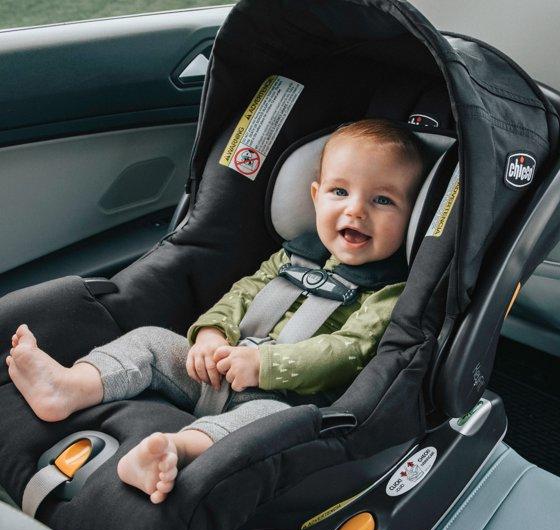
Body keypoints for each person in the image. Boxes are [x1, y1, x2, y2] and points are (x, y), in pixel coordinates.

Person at [6, 118, 424, 504]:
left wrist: (264, 365)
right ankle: (69, 386)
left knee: (268, 421)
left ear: (411, 218)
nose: (356, 210)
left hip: (284, 397)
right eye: (340, 192)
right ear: (315, 197)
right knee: (151, 340)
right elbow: (242, 294)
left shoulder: (389, 291)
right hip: (217, 370)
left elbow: (349, 350)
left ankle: (174, 450)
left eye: (382, 200)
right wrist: (212, 334)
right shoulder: (292, 257)